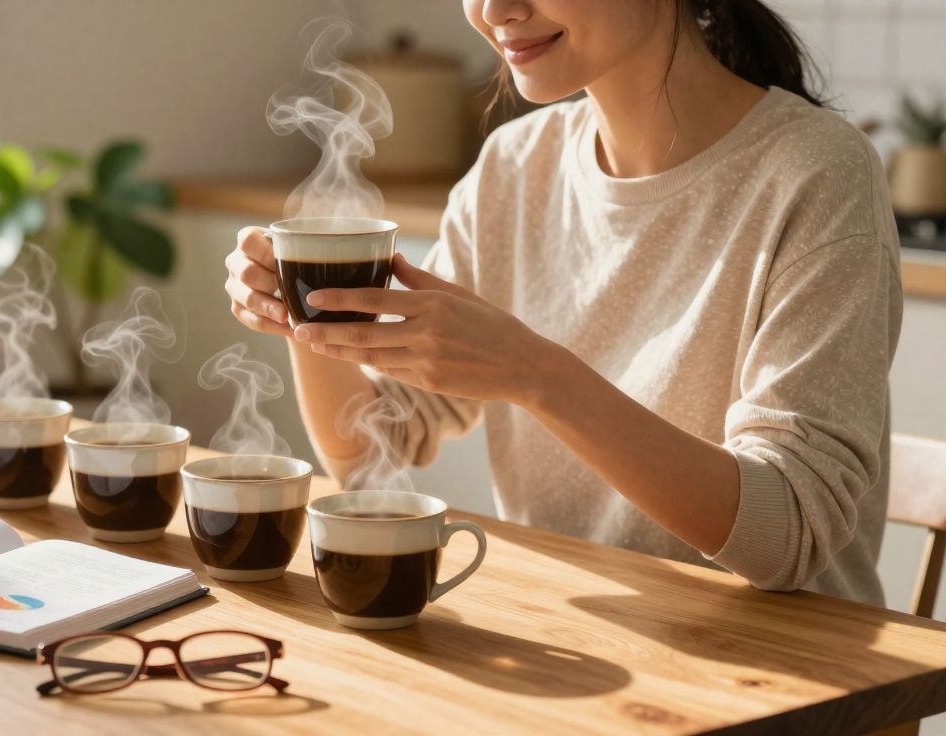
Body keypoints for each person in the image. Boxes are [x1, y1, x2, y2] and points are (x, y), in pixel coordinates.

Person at [225, 0, 901, 605]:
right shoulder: (515, 167)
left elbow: (785, 534)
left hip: (786, 671)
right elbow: (372, 449)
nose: (494, 10)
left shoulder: (817, 172)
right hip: (579, 649)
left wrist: (535, 375)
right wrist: (305, 310)